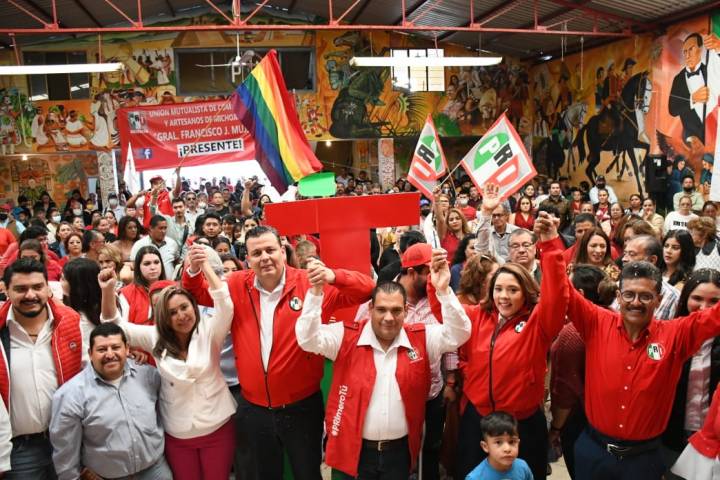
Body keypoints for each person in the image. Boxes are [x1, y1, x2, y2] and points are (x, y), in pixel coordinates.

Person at [182, 225, 375, 480]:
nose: (264, 257)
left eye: (270, 250)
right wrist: (193, 270)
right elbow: (197, 292)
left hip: (302, 407)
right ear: (247, 259)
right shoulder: (237, 284)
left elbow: (367, 290)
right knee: (264, 474)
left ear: (283, 252)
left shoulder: (310, 282)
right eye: (256, 253)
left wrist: (333, 275)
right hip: (254, 408)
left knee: (307, 473)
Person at [296, 254, 471, 479]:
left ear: (406, 311)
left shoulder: (421, 338)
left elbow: (459, 333)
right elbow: (307, 339)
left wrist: (444, 291)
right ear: (370, 309)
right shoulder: (345, 336)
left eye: (396, 310)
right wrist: (315, 293)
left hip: (400, 454)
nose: (389, 318)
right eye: (381, 310)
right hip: (355, 452)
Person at [565, 259, 720, 479]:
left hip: (643, 461)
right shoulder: (597, 322)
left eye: (646, 296)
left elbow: (715, 316)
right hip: (594, 452)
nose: (636, 302)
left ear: (659, 299)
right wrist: (549, 246)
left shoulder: (676, 334)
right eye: (629, 295)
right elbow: (563, 293)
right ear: (618, 297)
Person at [447, 207, 569, 479]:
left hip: (521, 422)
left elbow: (557, 298)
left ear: (526, 293)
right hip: (478, 419)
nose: (504, 296)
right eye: (499, 289)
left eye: (513, 290)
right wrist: (439, 288)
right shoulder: (476, 315)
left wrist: (550, 247)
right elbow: (445, 313)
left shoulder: (538, 323)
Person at [100, 246, 237, 479]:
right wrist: (108, 290)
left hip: (218, 427)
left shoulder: (210, 330)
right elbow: (114, 326)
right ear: (164, 317)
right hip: (177, 432)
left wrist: (204, 265)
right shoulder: (155, 336)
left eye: (184, 307)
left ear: (193, 306)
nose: (181, 316)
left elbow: (225, 303)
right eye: (172, 312)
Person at [49, 323, 171, 480]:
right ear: (90, 353)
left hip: (155, 470)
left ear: (127, 349)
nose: (110, 354)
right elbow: (65, 453)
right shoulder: (71, 395)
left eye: (115, 347)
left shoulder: (149, 375)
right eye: (102, 349)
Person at [0, 258, 82, 478]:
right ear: (6, 290)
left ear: (48, 287)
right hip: (19, 450)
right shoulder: (1, 330)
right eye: (21, 289)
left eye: (37, 287)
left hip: (69, 441)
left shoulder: (69, 322)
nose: (30, 295)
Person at [550, 265, 617, 480]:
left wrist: (555, 428)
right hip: (611, 420)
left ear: (577, 294)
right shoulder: (615, 318)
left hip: (579, 421)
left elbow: (565, 390)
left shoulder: (573, 333)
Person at [661, 269, 720, 474]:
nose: (704, 308)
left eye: (714, 301)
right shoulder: (667, 333)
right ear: (685, 298)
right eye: (697, 298)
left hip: (711, 441)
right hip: (671, 434)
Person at [669, 33, 719, 144]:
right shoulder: (678, 79)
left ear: (700, 50)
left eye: (691, 49)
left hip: (715, 136)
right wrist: (692, 99)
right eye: (685, 52)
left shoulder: (710, 70)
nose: (687, 55)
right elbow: (672, 110)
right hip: (692, 139)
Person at [620, 234, 680, 320]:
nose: (624, 259)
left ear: (652, 260)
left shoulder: (672, 297)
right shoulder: (617, 286)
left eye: (632, 254)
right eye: (625, 253)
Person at [465, 412, 533, 480]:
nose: (507, 449)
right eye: (498, 442)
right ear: (485, 447)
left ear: (518, 443)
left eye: (512, 442)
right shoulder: (475, 478)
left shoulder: (523, 466)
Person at [60, 258, 102, 365]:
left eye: (63, 279)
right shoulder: (64, 307)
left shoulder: (102, 312)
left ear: (77, 285)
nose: (60, 282)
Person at [130, 215, 179, 280]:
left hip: (169, 284)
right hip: (147, 284)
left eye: (165, 228)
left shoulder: (172, 243)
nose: (163, 231)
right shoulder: (139, 244)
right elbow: (134, 266)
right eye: (160, 228)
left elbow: (176, 262)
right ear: (151, 228)